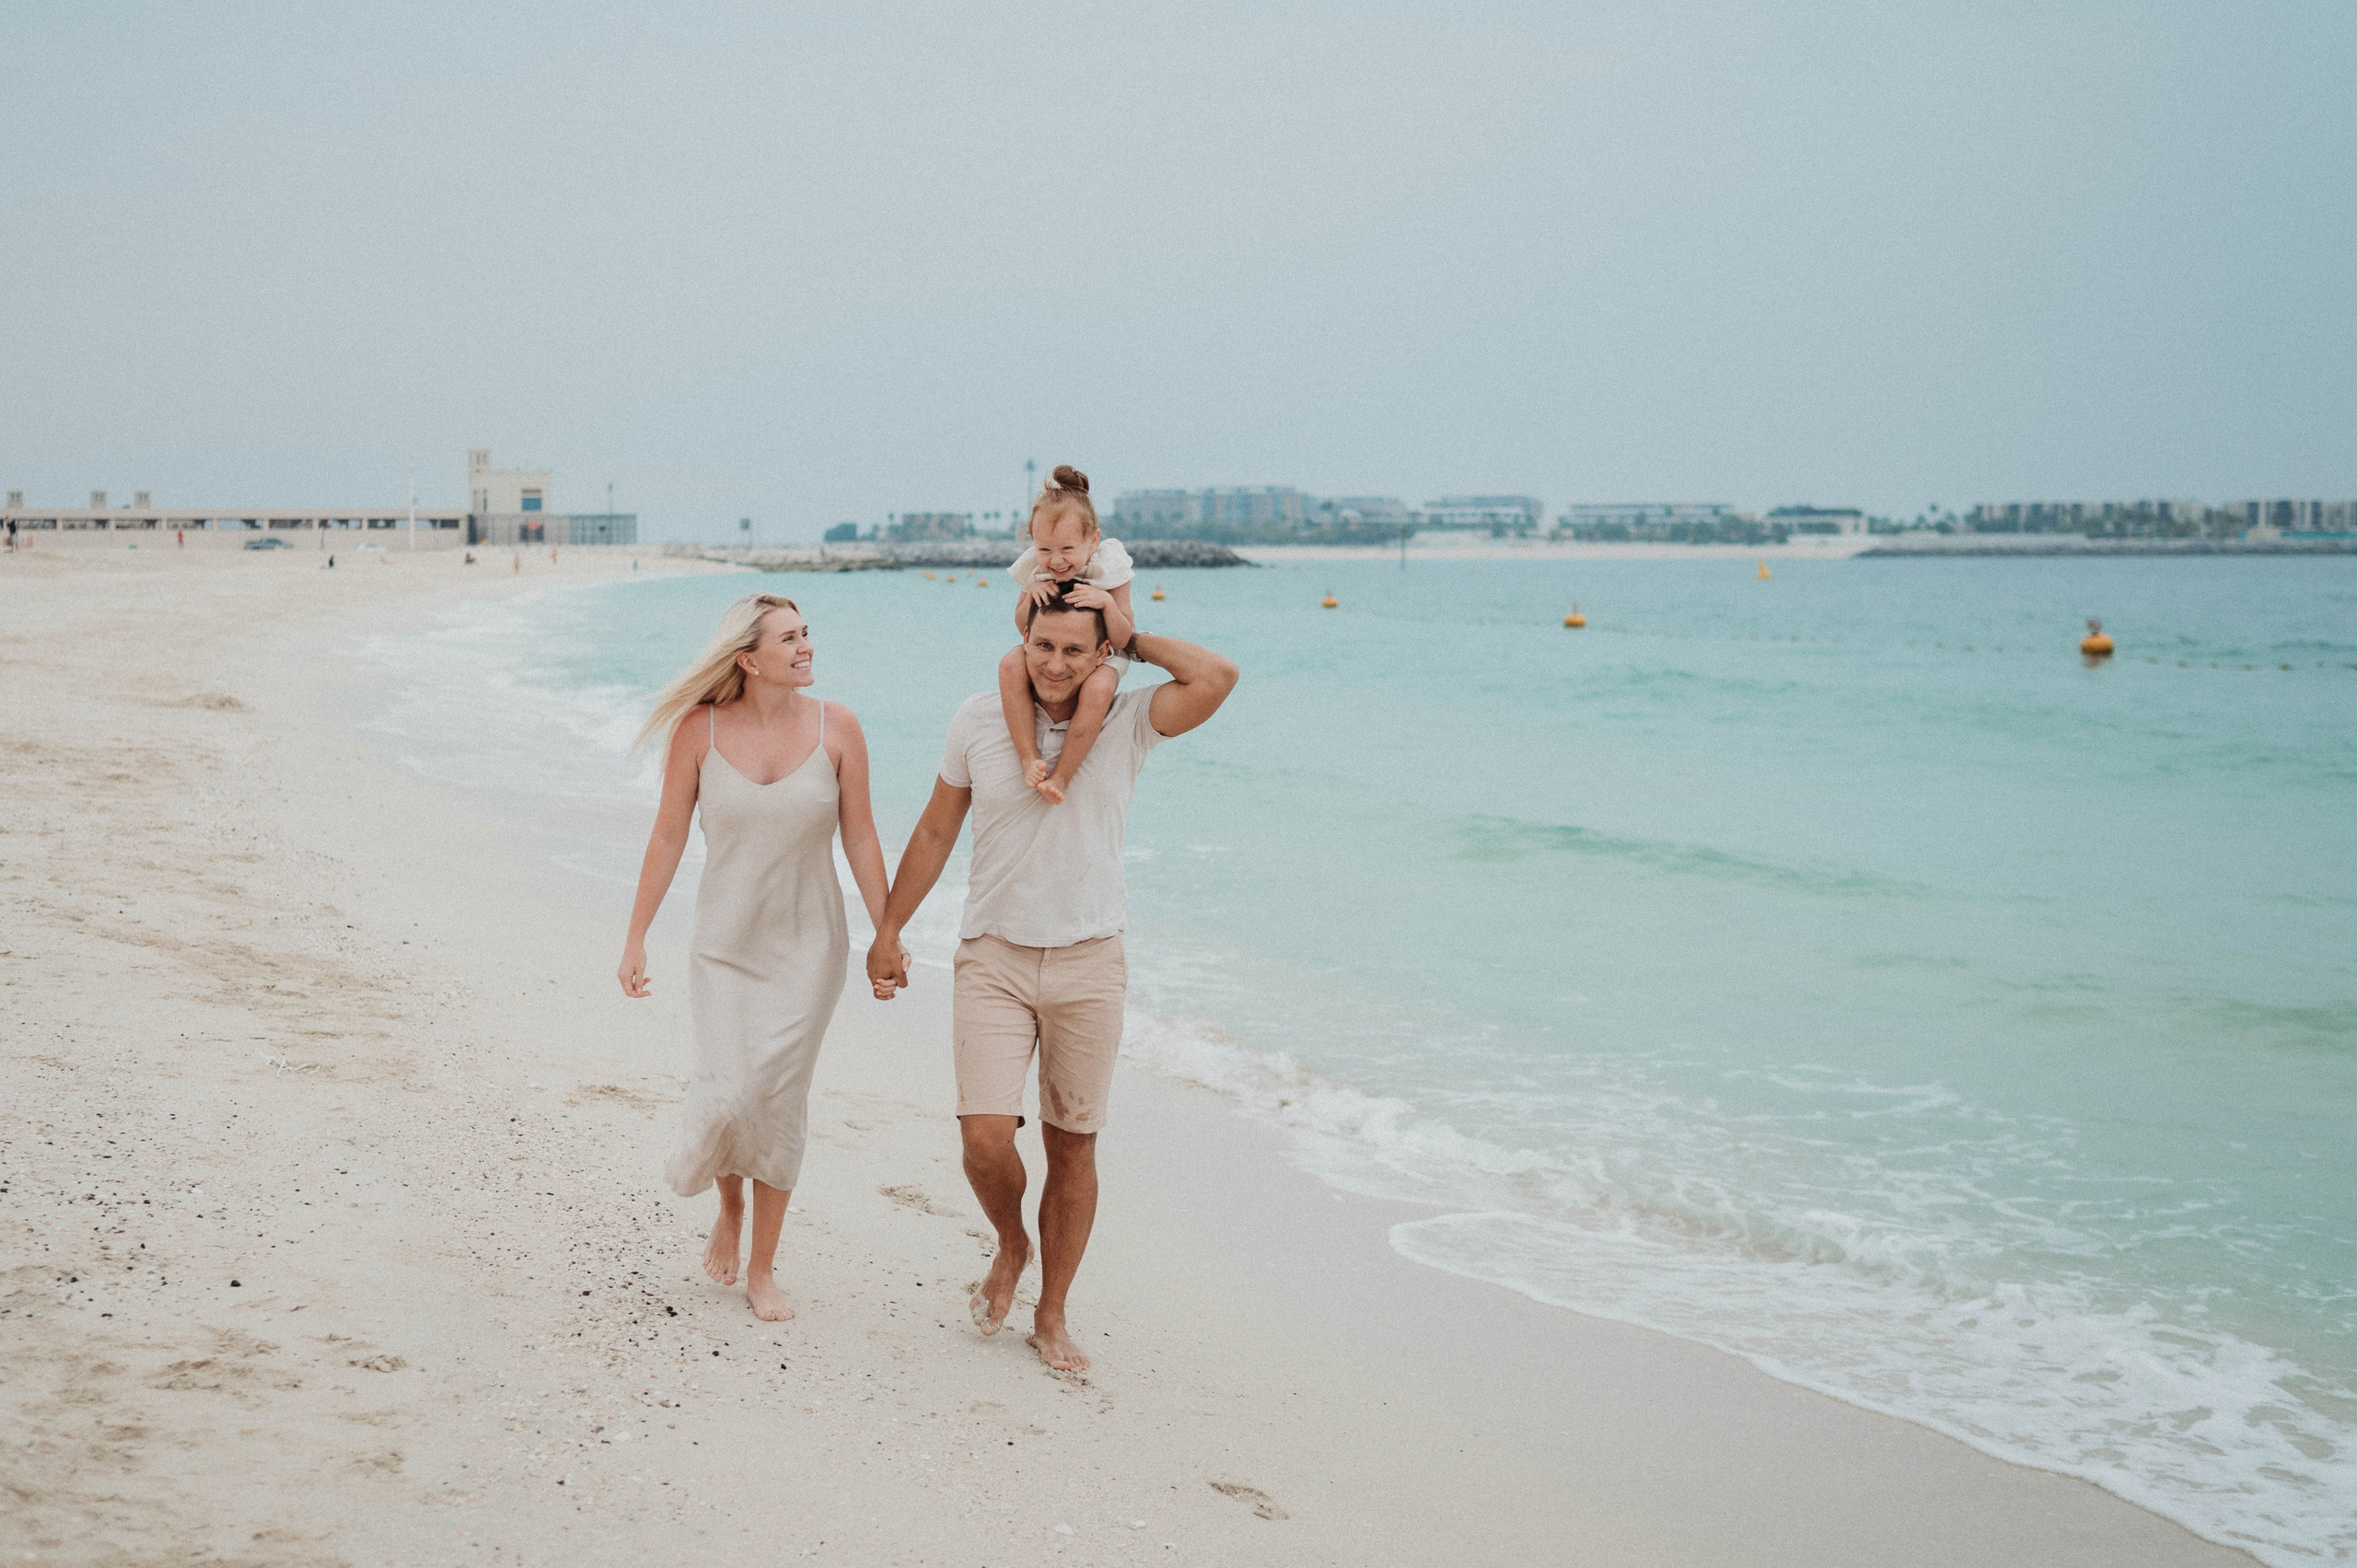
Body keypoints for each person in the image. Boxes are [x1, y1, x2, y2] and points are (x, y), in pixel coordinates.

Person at [867, 579, 1238, 1371]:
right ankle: (1011, 1242)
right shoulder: (978, 718)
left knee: (1074, 1146)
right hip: (994, 956)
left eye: (1076, 649)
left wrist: (1129, 636)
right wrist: (889, 928)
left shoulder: (1131, 718)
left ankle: (1054, 1312)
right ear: (1021, 641)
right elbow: (936, 828)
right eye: (1044, 646)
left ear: (1101, 651)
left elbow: (1217, 678)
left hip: (1090, 961)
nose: (1056, 665)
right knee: (982, 1137)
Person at [620, 594, 896, 1321]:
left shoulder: (839, 727)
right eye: (789, 638)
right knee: (728, 1092)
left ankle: (763, 1268)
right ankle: (730, 1208)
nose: (807, 646)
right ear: (749, 658)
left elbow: (861, 837)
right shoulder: (699, 731)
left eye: (808, 632)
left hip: (809, 948)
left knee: (775, 1098)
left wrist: (887, 932)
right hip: (725, 945)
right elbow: (668, 835)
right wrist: (636, 934)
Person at [996, 467, 1135, 805]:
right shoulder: (1036, 566)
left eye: (1067, 550)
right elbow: (1022, 627)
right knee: (1011, 664)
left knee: (1098, 688)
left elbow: (1123, 637)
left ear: (1093, 540)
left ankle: (1062, 774)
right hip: (1052, 646)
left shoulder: (1109, 568)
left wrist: (1106, 603)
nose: (1055, 561)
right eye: (1045, 550)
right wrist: (1032, 591)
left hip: (1103, 653)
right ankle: (1029, 756)